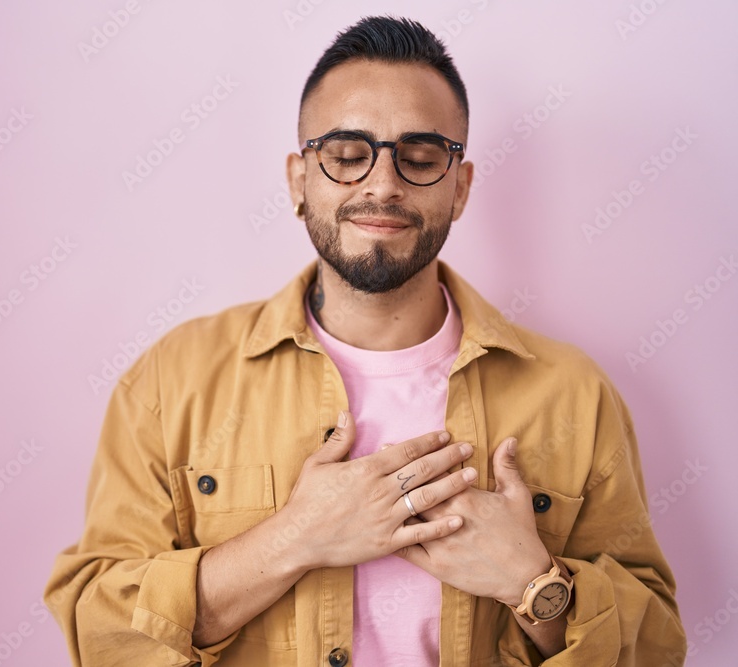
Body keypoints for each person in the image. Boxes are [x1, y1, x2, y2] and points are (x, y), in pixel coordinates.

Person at [43, 15, 686, 667]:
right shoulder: (170, 381)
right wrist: (292, 540)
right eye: (348, 154)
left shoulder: (574, 394)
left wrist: (534, 584)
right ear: (299, 180)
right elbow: (101, 634)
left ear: (460, 186)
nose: (382, 183)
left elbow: (657, 645)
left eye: (421, 155)